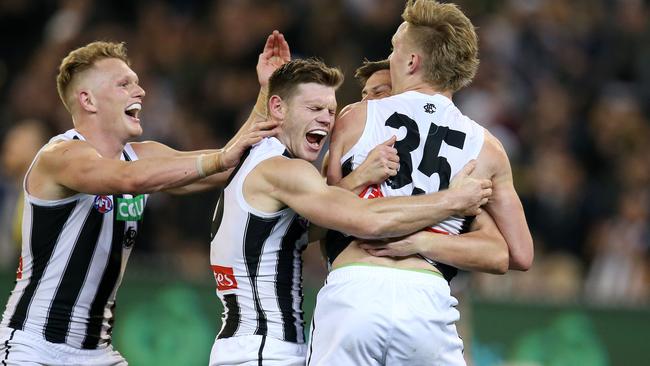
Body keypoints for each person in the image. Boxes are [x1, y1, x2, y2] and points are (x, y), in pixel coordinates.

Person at [0, 31, 287, 365]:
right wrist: (220, 159)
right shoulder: (60, 155)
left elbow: (231, 165)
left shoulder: (141, 155)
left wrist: (268, 93)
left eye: (136, 82)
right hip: (34, 347)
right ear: (88, 101)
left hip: (96, 352)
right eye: (124, 84)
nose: (140, 90)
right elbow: (128, 180)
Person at [207, 58, 493, 366]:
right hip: (266, 351)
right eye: (314, 109)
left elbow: (310, 226)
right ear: (278, 108)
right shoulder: (284, 171)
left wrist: (357, 178)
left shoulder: (255, 158)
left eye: (330, 111)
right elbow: (369, 221)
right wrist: (453, 200)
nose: (327, 120)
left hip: (248, 345)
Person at [307, 1, 534, 365]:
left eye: (396, 49)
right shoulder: (488, 148)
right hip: (427, 299)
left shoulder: (356, 118)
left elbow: (324, 215)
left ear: (412, 61)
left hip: (355, 289)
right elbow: (520, 253)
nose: (392, 58)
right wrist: (427, 239)